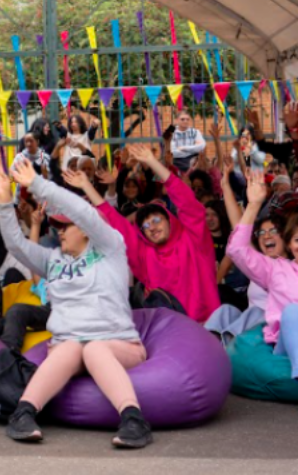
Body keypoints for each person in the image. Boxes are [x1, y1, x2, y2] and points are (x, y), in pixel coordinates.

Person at [0, 161, 153, 449]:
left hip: (117, 342)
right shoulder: (53, 260)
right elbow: (16, 245)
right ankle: (24, 413)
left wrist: (37, 184)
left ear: (87, 231)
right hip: (69, 343)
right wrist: (4, 203)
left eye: (66, 226)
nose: (60, 231)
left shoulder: (110, 247)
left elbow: (84, 212)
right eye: (58, 227)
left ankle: (133, 419)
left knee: (95, 348)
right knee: (72, 346)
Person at [86, 144, 219, 322]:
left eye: (156, 220)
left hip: (206, 329)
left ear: (170, 221)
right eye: (145, 226)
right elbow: (117, 224)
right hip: (167, 334)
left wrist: (152, 162)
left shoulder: (194, 241)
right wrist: (86, 186)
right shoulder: (144, 255)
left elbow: (186, 201)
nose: (152, 227)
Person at [225, 172, 298, 380]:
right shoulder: (276, 269)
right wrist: (254, 205)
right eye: (296, 240)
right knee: (293, 313)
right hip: (285, 345)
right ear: (290, 244)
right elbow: (237, 250)